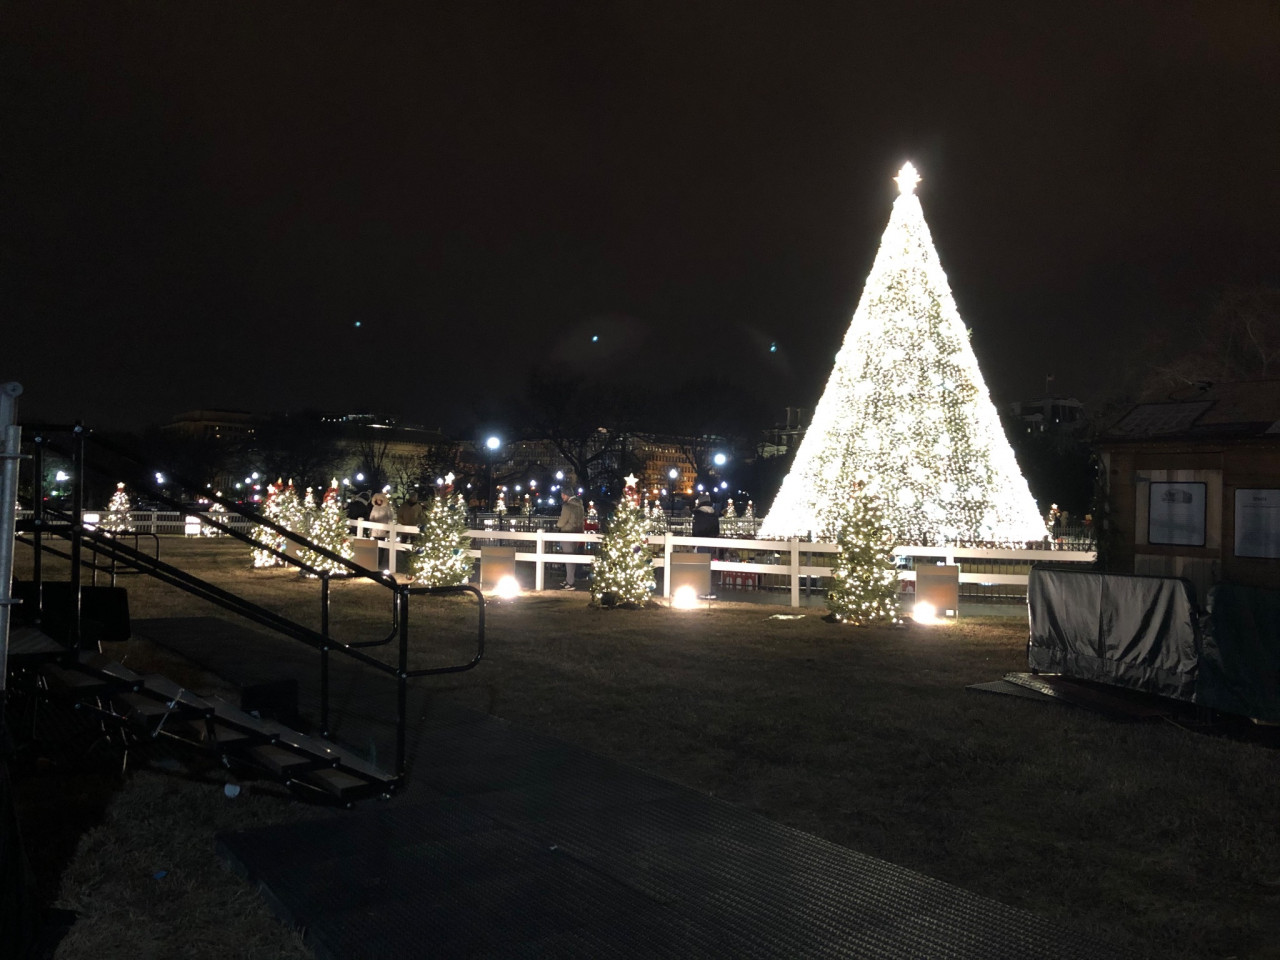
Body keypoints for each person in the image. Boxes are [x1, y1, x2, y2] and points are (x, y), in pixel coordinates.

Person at [556, 487, 585, 589]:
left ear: (566, 495)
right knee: (572, 557)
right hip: (577, 533)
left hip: (567, 533)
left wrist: (557, 525)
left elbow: (562, 522)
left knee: (568, 557)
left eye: (562, 495)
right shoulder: (580, 505)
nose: (562, 497)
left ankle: (570, 582)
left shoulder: (567, 506)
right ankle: (569, 579)